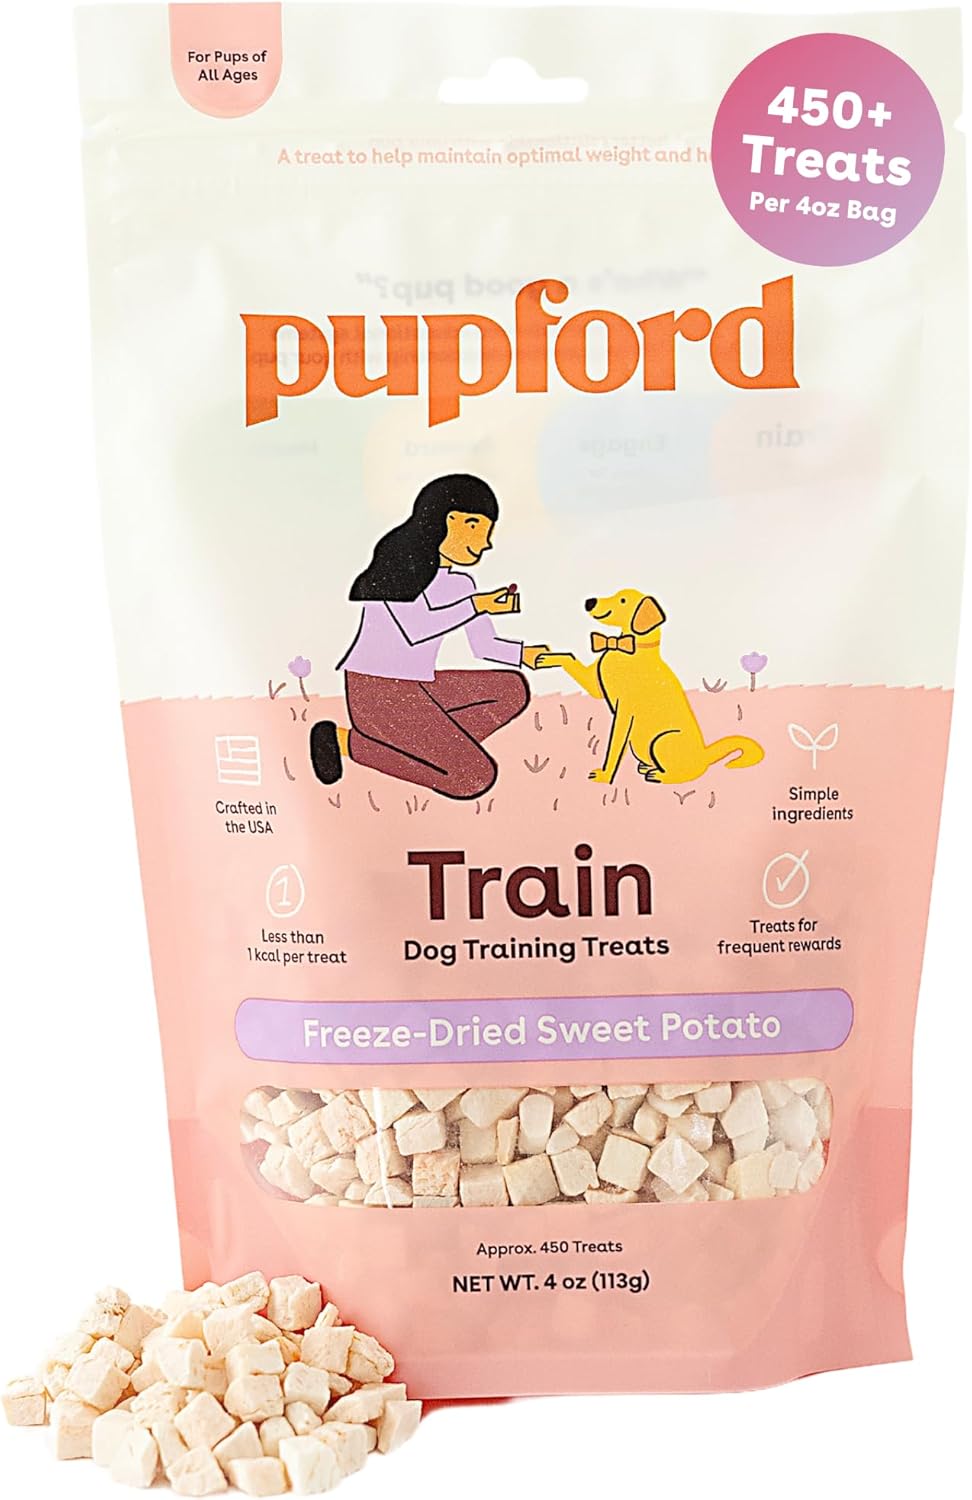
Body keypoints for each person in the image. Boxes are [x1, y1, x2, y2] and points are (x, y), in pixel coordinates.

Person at [309, 474, 547, 800]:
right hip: (377, 691)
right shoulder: (396, 570)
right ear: (447, 520)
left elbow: (483, 646)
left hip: (420, 687)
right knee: (475, 777)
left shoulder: (462, 584)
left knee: (512, 689)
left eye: (488, 531)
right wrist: (478, 605)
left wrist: (526, 655)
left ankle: (425, 749)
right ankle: (349, 743)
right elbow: (417, 629)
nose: (486, 543)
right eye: (476, 527)